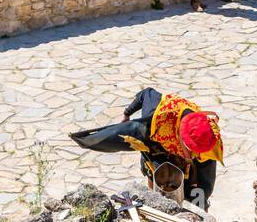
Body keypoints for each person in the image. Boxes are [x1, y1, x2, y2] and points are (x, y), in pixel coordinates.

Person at [69, 87, 224, 210]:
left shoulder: (208, 137)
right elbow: (146, 93)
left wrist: (200, 204)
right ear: (179, 133)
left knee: (198, 198)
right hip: (156, 151)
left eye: (198, 151)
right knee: (157, 179)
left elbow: (205, 179)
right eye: (190, 148)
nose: (194, 154)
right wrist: (127, 113)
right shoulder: (157, 116)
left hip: (187, 168)